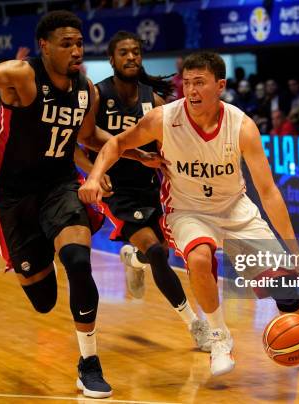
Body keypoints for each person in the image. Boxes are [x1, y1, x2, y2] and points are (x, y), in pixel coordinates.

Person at [0, 12, 158, 398]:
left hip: (60, 186)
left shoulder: (87, 90)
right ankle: (43, 249)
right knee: (44, 300)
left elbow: (88, 136)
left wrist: (132, 151)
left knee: (80, 262)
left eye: (79, 43)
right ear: (44, 46)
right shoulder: (20, 75)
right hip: (11, 197)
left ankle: (89, 364)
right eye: (67, 44)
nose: (77, 51)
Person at [79, 52, 299, 376]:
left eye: (199, 83)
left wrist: (293, 249)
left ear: (220, 86)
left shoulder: (241, 126)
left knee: (283, 284)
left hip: (235, 209)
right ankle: (218, 337)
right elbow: (115, 144)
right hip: (186, 211)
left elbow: (269, 191)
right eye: (186, 83)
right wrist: (92, 176)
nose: (191, 90)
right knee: (200, 258)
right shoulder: (164, 118)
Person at [88, 31, 211, 351]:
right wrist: (92, 173)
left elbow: (166, 147)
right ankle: (195, 325)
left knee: (159, 252)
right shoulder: (99, 95)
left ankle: (134, 260)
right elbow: (79, 140)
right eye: (124, 53)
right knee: (158, 252)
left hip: (150, 189)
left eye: (136, 52)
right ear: (111, 60)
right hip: (116, 192)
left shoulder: (152, 100)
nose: (131, 57)